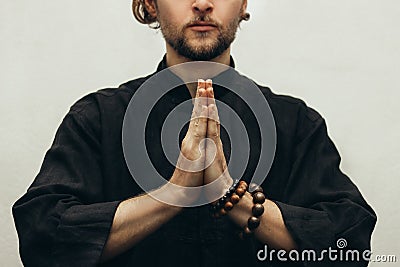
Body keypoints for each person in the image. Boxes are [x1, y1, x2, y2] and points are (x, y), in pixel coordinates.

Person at [13, 0, 376, 266]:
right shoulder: (97, 118)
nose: (202, 4)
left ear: (244, 3)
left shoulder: (296, 124)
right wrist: (174, 193)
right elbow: (41, 239)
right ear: (151, 4)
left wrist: (231, 198)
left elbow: (350, 245)